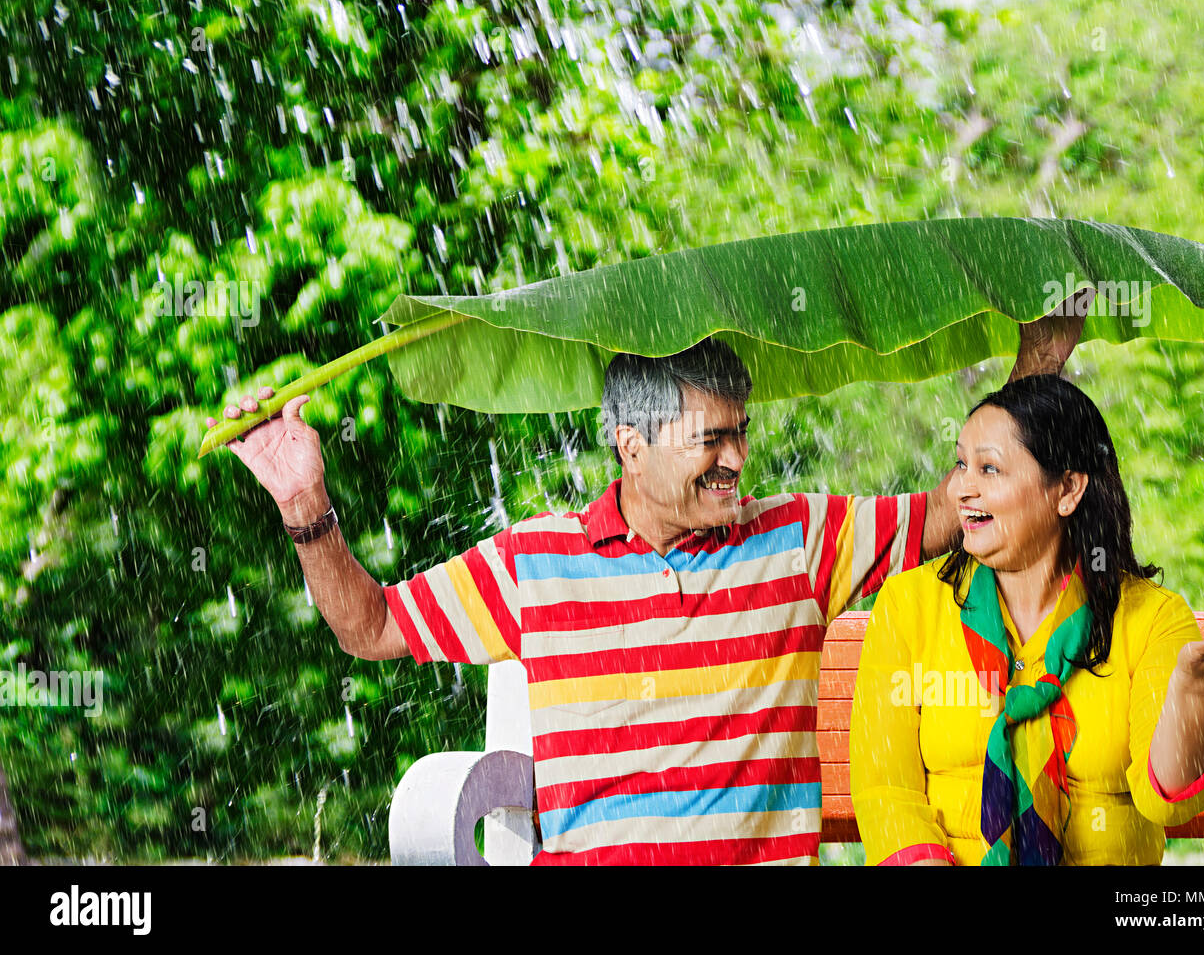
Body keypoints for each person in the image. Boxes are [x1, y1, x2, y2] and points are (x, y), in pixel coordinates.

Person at [206, 305, 1087, 865]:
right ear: (632, 444)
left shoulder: (798, 539)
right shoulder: (534, 563)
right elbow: (371, 627)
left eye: (741, 434)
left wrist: (1035, 374)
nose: (736, 459)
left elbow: (954, 511)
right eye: (711, 439)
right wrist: (305, 504)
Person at [849, 373, 1204, 865]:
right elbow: (887, 792)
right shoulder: (908, 605)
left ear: (1067, 489)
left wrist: (1196, 690)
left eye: (989, 469)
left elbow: (1168, 800)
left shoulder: (1152, 619)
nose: (961, 488)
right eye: (961, 464)